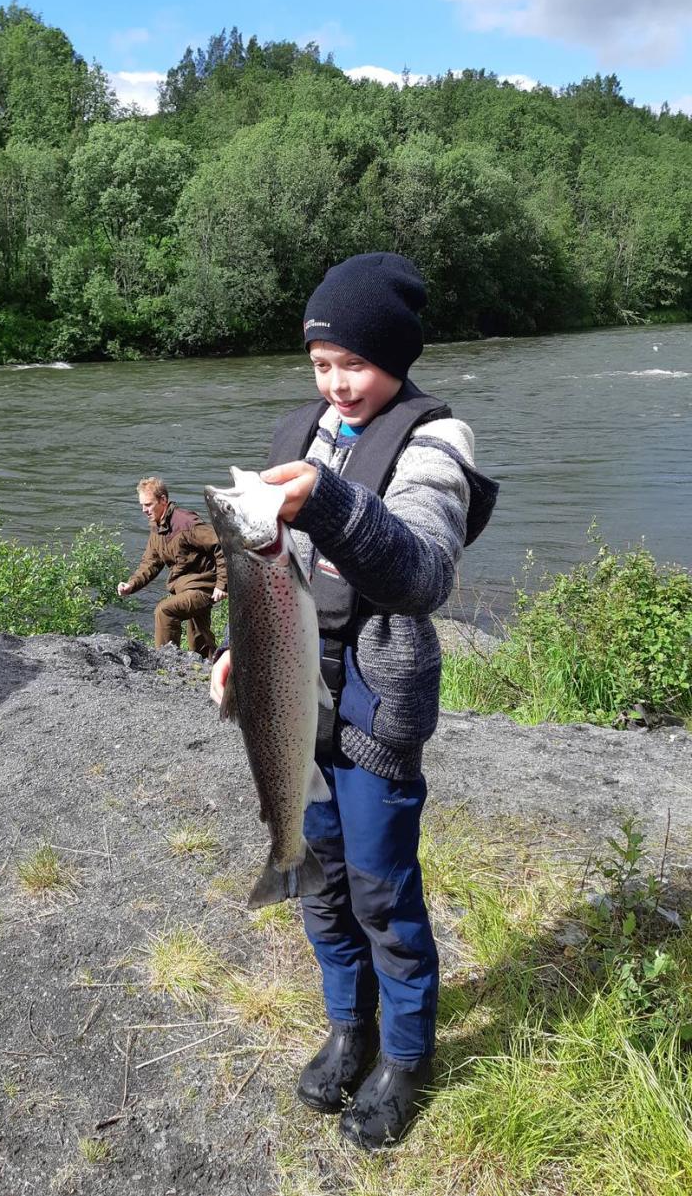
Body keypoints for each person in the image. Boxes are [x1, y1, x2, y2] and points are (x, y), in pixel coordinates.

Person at [209, 253, 497, 1151]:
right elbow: (264, 577)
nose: (337, 384)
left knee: (381, 890)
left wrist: (330, 499)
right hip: (294, 703)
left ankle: (408, 1054)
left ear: (398, 357)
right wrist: (236, 647)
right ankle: (351, 1026)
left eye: (356, 365)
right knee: (319, 884)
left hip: (373, 710)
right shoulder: (300, 428)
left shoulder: (437, 443)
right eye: (322, 365)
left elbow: (422, 570)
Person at [118, 476, 227, 659]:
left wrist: (222, 584)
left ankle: (165, 662)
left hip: (203, 587)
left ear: (163, 500)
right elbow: (150, 563)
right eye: (142, 505)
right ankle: (215, 669)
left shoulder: (186, 523)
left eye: (148, 505)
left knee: (165, 610)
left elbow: (221, 544)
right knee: (199, 639)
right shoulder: (158, 527)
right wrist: (131, 585)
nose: (144, 510)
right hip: (184, 588)